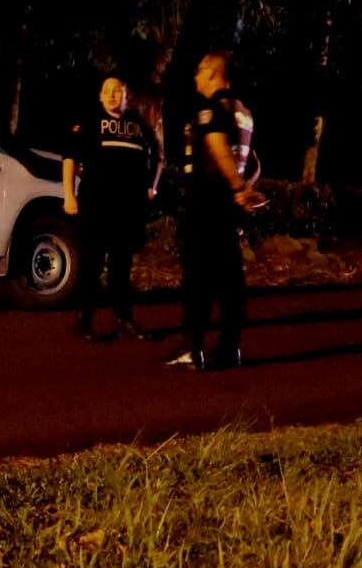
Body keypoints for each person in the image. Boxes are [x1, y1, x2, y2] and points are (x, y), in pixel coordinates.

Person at [166, 52, 262, 371]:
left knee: (198, 277)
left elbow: (218, 147)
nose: (195, 76)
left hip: (207, 202)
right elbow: (251, 159)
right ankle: (230, 347)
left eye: (199, 70)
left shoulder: (212, 108)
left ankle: (192, 349)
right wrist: (243, 188)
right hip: (225, 206)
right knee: (230, 277)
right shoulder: (242, 111)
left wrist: (237, 186)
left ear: (212, 73)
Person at [63, 76, 161, 340]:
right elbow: (70, 158)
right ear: (99, 96)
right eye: (106, 91)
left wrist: (152, 187)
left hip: (128, 208)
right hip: (95, 204)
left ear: (126, 95)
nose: (111, 95)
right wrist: (68, 195)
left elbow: (156, 157)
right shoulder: (90, 122)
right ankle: (83, 321)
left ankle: (124, 319)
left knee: (121, 265)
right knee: (91, 263)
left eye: (117, 90)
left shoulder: (138, 125)